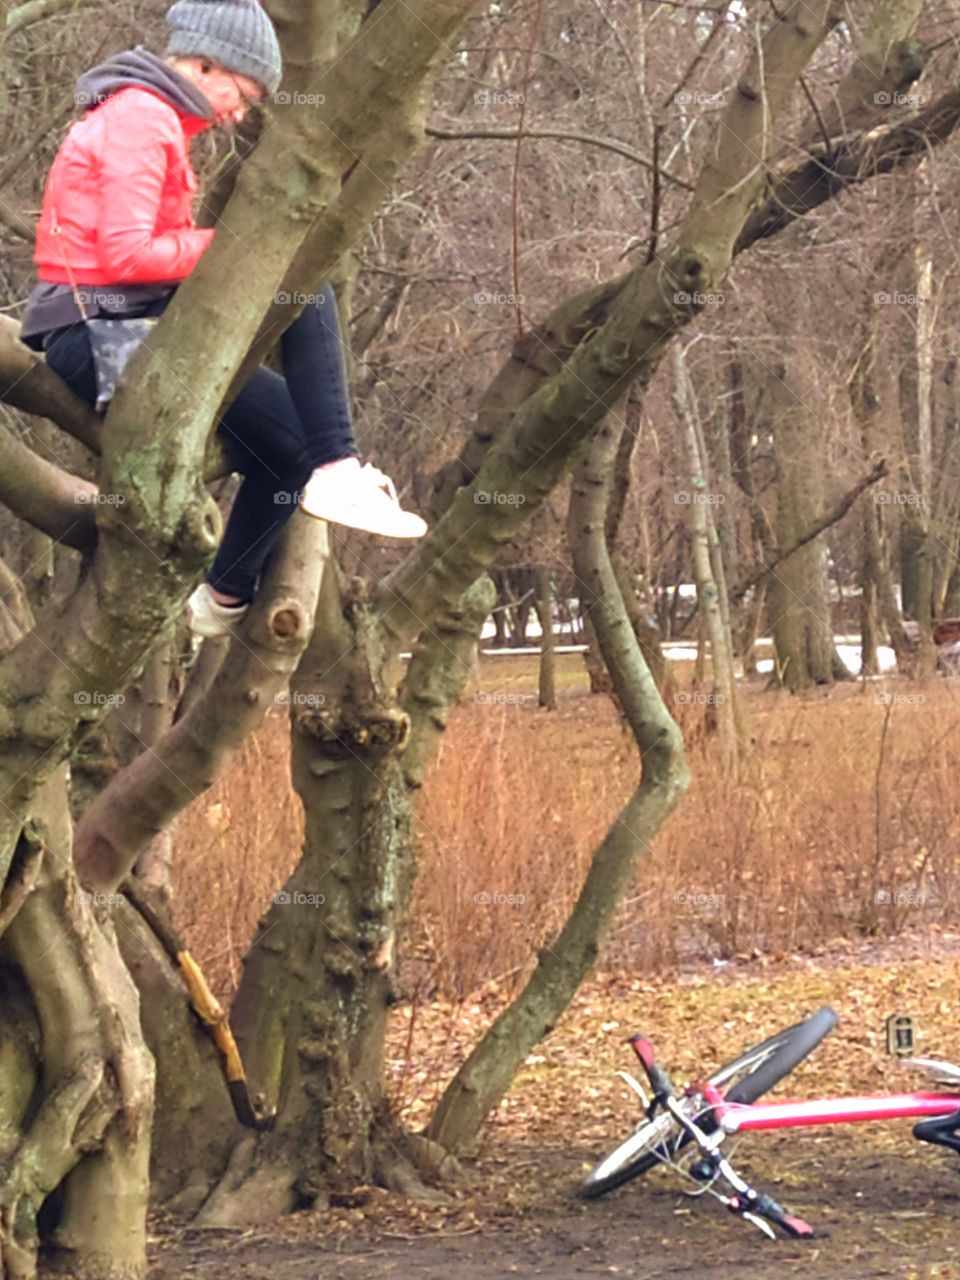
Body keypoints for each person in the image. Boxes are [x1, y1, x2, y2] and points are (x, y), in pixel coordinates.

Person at [19, 0, 427, 639]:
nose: (240, 112)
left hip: (127, 320)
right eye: (242, 93)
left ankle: (226, 592)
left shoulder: (150, 120)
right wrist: (230, 250)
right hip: (99, 333)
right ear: (206, 64)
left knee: (292, 439)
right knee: (298, 298)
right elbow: (125, 257)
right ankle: (337, 471)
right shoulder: (140, 120)